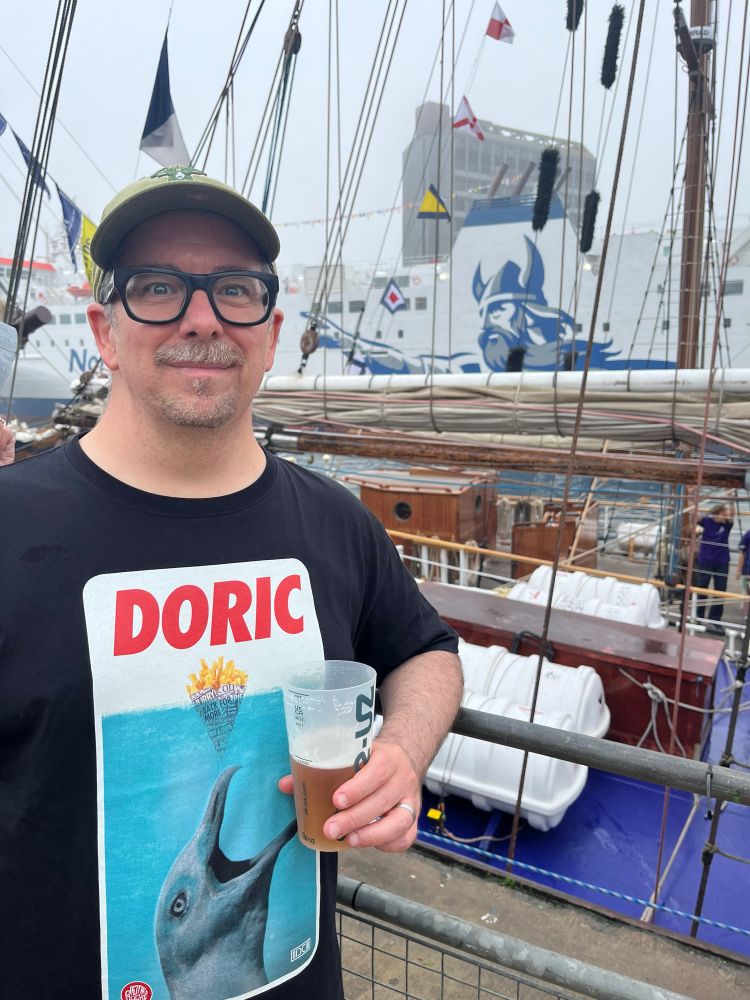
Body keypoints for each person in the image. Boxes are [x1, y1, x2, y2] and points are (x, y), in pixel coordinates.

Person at [0, 166, 462, 1000]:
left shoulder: (335, 523)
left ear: (272, 329)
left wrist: (400, 750)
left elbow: (425, 650)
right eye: (159, 287)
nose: (202, 318)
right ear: (106, 331)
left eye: (235, 290)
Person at [695, 502, 734, 625]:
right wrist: (692, 498)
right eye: (723, 514)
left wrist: (731, 501)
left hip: (722, 561)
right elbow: (695, 515)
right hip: (705, 559)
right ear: (716, 515)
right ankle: (699, 616)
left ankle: (715, 619)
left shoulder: (727, 524)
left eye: (726, 514)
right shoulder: (707, 521)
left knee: (720, 589)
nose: (725, 516)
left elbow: (732, 515)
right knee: (702, 587)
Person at [737, 523, 750, 615]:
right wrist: (739, 570)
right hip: (747, 571)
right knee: (746, 594)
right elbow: (742, 552)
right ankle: (746, 616)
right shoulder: (748, 534)